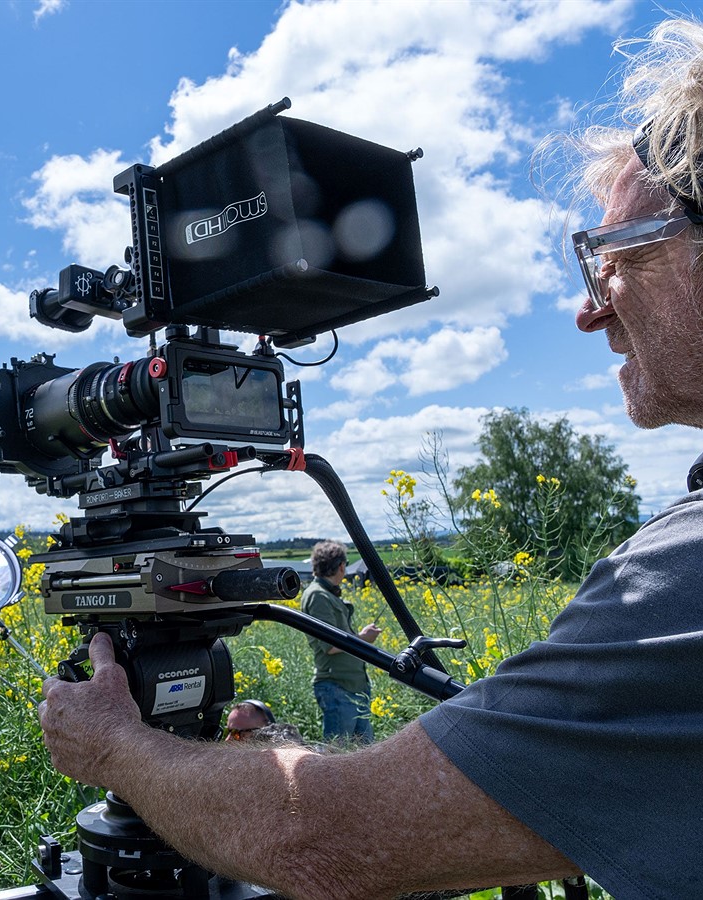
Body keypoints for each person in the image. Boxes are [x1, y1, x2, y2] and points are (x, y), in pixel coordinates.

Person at [39, 18, 703, 898]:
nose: (591, 312)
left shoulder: (682, 583)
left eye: (613, 256)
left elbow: (329, 842)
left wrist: (121, 748)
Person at [301, 540, 381, 744]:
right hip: (338, 687)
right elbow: (330, 645)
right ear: (341, 566)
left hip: (353, 686)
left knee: (363, 757)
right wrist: (364, 638)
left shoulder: (326, 593)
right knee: (337, 758)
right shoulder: (318, 596)